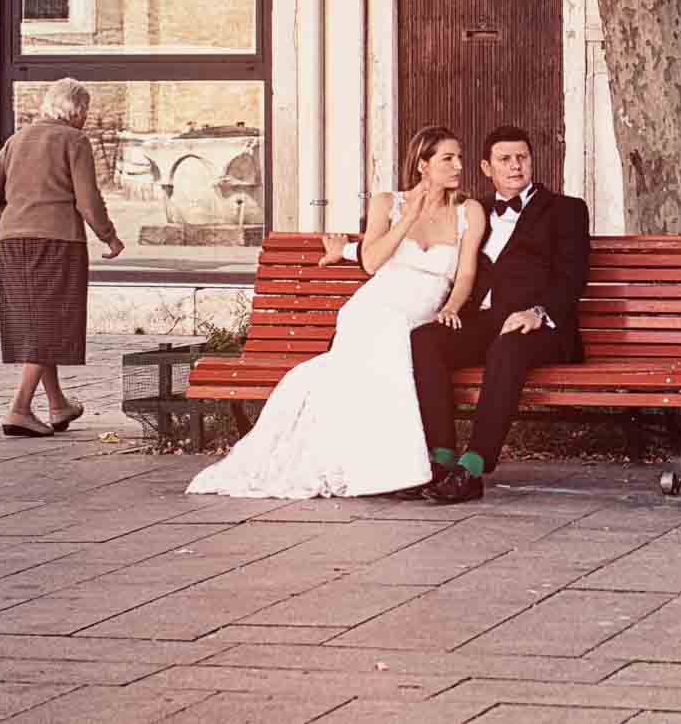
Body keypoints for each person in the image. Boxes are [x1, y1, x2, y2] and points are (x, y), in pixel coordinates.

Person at [187, 126, 485, 499]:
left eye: (460, 158)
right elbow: (372, 262)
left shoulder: (469, 211)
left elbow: (466, 272)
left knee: (390, 338)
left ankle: (393, 465)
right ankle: (387, 466)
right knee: (381, 333)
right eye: (448, 158)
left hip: (422, 307)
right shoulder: (387, 203)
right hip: (376, 302)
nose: (459, 166)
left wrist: (452, 306)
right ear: (423, 164)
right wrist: (409, 217)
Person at [408, 125, 590, 505]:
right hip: (485, 323)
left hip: (541, 329)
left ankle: (473, 467)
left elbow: (572, 278)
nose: (515, 166)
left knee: (508, 346)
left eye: (522, 157)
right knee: (425, 340)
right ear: (486, 168)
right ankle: (442, 458)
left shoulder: (567, 210)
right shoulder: (473, 211)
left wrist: (537, 313)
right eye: (505, 159)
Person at [0, 78, 125, 438]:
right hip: (57, 242)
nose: (86, 118)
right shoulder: (74, 140)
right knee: (49, 323)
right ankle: (19, 409)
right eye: (86, 111)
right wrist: (109, 236)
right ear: (77, 110)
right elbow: (87, 201)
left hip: (12, 241)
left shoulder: (17, 140)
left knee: (38, 322)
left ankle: (58, 405)